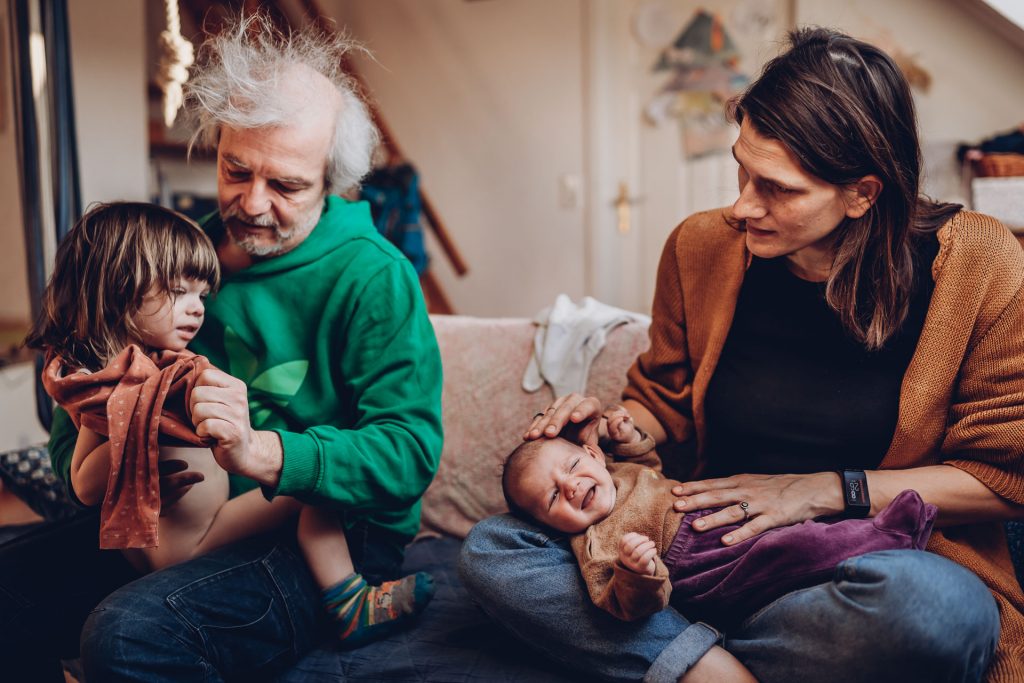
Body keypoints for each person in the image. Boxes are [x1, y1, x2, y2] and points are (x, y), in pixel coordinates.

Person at [461, 27, 1023, 683]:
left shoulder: (979, 264)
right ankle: (710, 667)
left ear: (861, 193)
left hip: (844, 574)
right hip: (689, 558)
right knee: (494, 548)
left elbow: (1001, 480)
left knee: (941, 611)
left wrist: (820, 492)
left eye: (777, 188)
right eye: (741, 168)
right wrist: (616, 427)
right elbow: (662, 402)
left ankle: (671, 650)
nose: (742, 204)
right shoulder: (701, 247)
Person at [0, 14, 443, 682]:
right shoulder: (174, 256)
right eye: (237, 170)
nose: (253, 204)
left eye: (287, 186)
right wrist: (106, 458)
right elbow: (82, 402)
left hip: (323, 534)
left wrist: (264, 451)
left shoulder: (374, 275)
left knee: (126, 636)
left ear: (333, 183)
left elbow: (408, 451)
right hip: (167, 515)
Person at [26, 201, 434, 645]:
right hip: (198, 539)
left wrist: (133, 449)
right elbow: (85, 485)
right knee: (313, 485)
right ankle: (347, 599)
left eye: (201, 296)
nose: (197, 309)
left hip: (150, 547)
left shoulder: (107, 379)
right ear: (121, 288)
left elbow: (87, 484)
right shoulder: (132, 385)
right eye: (179, 291)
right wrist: (133, 451)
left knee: (315, 473)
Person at [502, 417, 935, 624]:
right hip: (697, 564)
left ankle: (874, 541)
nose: (573, 485)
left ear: (593, 454)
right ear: (547, 525)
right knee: (792, 551)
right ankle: (887, 536)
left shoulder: (616, 472)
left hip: (715, 518)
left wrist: (630, 437)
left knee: (798, 534)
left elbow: (650, 466)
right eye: (555, 495)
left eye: (573, 465)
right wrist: (637, 572)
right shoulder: (594, 543)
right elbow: (621, 605)